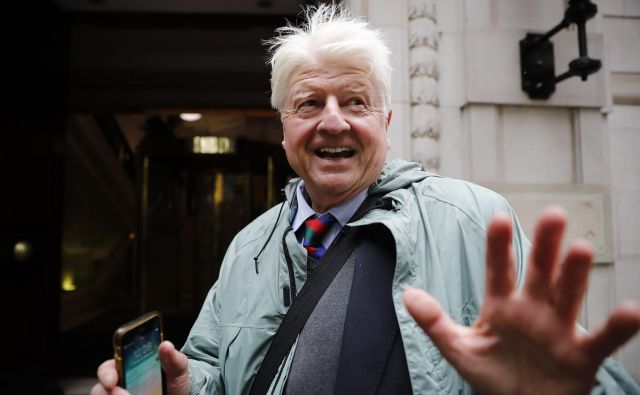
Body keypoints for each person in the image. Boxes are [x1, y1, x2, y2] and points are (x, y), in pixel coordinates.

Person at [92, 4, 640, 395]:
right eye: (310, 103)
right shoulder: (247, 246)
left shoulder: (473, 219)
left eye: (355, 101)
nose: (333, 120)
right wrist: (182, 387)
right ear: (284, 130)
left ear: (386, 122)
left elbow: (566, 364)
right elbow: (212, 368)